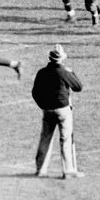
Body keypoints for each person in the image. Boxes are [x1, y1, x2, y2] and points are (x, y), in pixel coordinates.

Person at [32, 44, 83, 179]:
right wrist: (72, 73)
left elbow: (35, 92)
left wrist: (43, 105)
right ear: (61, 59)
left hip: (47, 109)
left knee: (45, 138)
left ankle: (40, 169)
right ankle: (68, 170)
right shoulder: (63, 72)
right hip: (63, 108)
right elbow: (78, 87)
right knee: (65, 139)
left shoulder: (42, 72)